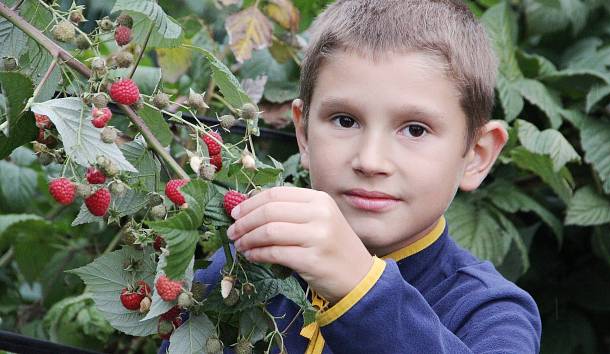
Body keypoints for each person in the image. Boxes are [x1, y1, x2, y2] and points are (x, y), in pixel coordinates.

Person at [161, 0, 541, 352]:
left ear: (476, 155)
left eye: (415, 129)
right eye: (345, 120)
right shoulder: (236, 275)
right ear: (304, 134)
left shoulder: (492, 314)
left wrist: (361, 290)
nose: (371, 160)